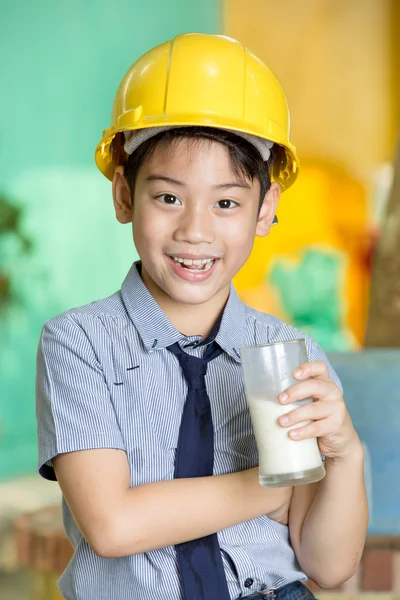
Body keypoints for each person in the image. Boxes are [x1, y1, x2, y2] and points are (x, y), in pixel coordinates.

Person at [36, 33, 368, 600]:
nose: (195, 229)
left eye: (226, 202)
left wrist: (344, 455)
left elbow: (328, 567)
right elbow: (113, 525)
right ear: (123, 195)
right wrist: (271, 488)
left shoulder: (292, 356)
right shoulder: (78, 343)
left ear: (265, 211)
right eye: (168, 197)